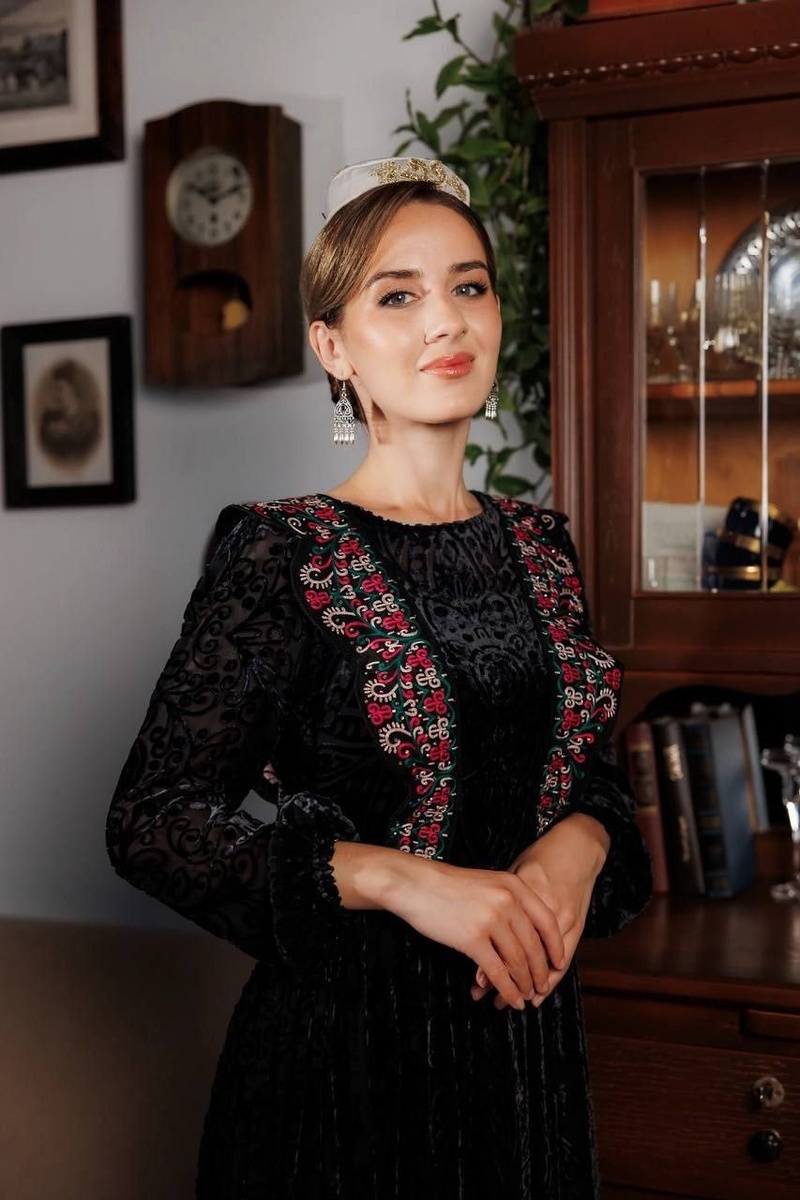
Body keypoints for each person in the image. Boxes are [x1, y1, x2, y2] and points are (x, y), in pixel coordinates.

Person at [107, 156, 653, 1200]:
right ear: (333, 346)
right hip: (347, 1072)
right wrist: (403, 880)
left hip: (528, 1058)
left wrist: (578, 848)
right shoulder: (284, 551)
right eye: (396, 296)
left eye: (468, 285)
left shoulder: (542, 547)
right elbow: (151, 821)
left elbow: (583, 776)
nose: (444, 319)